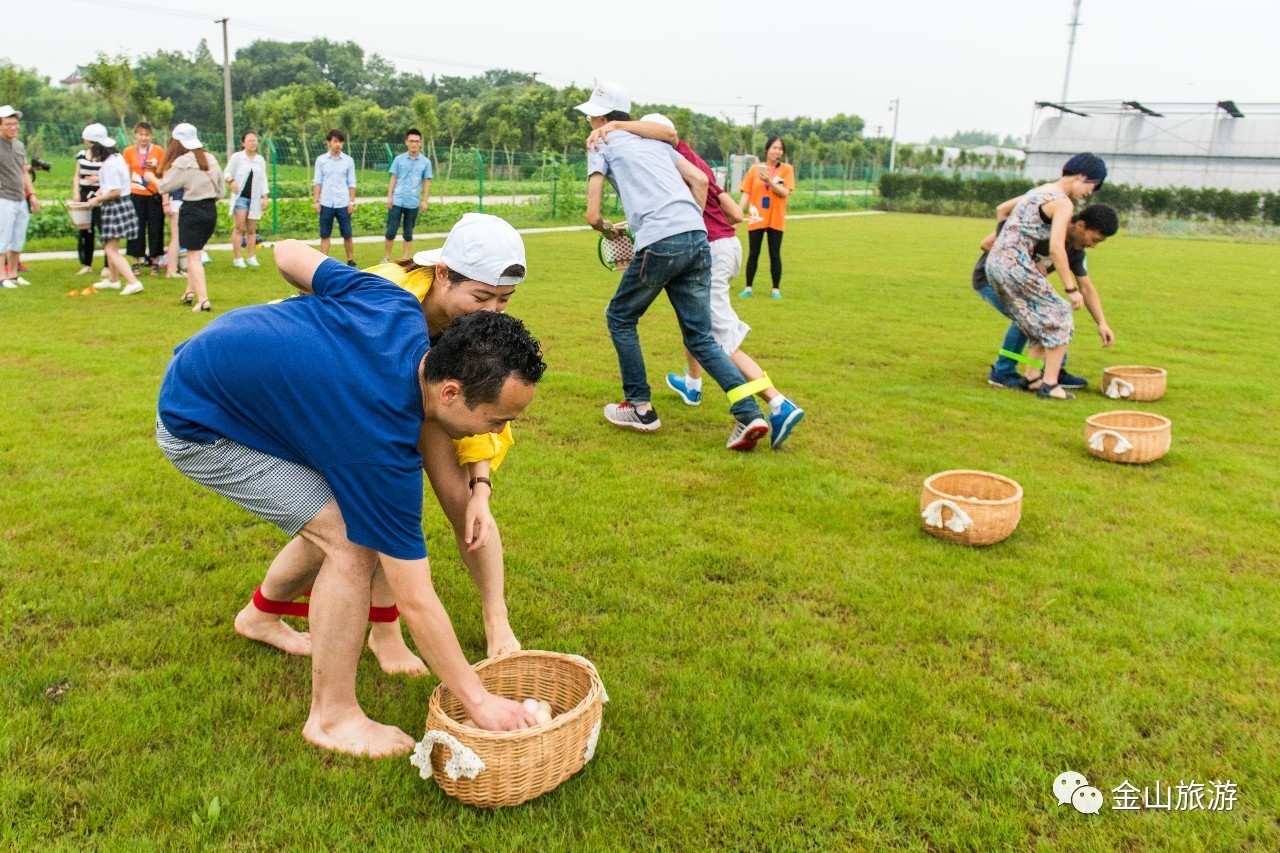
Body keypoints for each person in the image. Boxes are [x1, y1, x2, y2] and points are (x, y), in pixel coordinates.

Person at [157, 242, 547, 755]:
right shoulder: (380, 447)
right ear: (450, 392)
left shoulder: (393, 303)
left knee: (337, 524)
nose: (497, 431)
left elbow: (289, 254)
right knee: (350, 543)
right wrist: (479, 702)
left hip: (207, 362)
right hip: (199, 424)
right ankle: (332, 717)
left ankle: (259, 618)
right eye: (496, 420)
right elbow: (416, 599)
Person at [248, 214, 529, 673]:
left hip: (430, 401)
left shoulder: (479, 329)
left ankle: (496, 620)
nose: (492, 312)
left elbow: (486, 414)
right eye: (481, 296)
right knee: (363, 519)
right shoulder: (389, 292)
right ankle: (382, 632)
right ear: (442, 274)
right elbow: (287, 253)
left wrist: (481, 487)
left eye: (505, 299)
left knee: (459, 505)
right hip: (351, 400)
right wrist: (323, 306)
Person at [587, 114, 807, 449]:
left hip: (667, 242)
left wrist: (607, 228)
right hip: (699, 240)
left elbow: (592, 215)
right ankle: (748, 411)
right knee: (702, 337)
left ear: (600, 116)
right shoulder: (663, 147)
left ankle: (640, 408)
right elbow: (700, 182)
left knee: (620, 317)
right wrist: (689, 226)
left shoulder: (604, 142)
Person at [984, 153, 1107, 400]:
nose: (1089, 194)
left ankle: (1031, 377)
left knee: (1040, 320)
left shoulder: (1040, 190)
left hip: (998, 263)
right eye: (1092, 186)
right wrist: (1070, 289)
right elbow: (1056, 248)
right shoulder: (1063, 202)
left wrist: (1005, 241)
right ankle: (1050, 385)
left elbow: (1002, 210)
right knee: (1061, 312)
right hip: (1015, 265)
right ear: (1083, 176)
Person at [973, 204, 1120, 389]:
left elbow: (1087, 288)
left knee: (1054, 312)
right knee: (1028, 316)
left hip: (1021, 286)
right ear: (1080, 225)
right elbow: (987, 243)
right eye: (1094, 239)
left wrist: (1102, 323)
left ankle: (1054, 371)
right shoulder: (1042, 226)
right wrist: (1027, 263)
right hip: (991, 280)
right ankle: (1002, 371)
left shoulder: (1076, 250)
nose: (1093, 245)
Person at [147, 123, 224, 312]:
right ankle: (189, 292)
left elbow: (165, 186)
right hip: (210, 211)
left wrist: (151, 178)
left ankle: (203, 300)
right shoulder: (210, 159)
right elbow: (221, 191)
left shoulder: (183, 162)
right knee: (194, 253)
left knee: (193, 257)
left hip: (192, 211)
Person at [78, 124, 145, 296]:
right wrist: (97, 195)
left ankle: (133, 281)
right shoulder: (116, 157)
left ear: (95, 145)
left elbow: (114, 191)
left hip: (115, 206)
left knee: (111, 250)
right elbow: (108, 185)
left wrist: (97, 200)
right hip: (120, 204)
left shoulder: (109, 164)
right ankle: (113, 280)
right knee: (110, 244)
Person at [738, 136, 794, 299]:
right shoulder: (755, 169)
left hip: (776, 217)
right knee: (753, 252)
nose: (777, 151)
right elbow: (746, 193)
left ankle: (775, 289)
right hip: (757, 216)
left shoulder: (786, 169)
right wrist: (738, 213)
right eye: (774, 148)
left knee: (774, 253)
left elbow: (784, 192)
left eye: (780, 149)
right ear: (767, 149)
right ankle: (748, 287)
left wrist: (769, 180)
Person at [0, 105, 39, 290]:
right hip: (3, 198)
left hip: (19, 198)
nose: (13, 128)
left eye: (15, 124)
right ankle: (2, 277)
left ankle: (13, 274)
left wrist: (31, 194)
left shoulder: (19, 145)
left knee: (17, 239)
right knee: (2, 240)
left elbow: (24, 172)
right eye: (8, 124)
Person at [122, 121, 166, 276]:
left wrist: (156, 166)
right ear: (135, 135)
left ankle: (155, 261)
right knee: (136, 229)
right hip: (136, 194)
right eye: (141, 134)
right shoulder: (128, 152)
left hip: (153, 195)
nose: (144, 138)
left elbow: (163, 172)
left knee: (156, 228)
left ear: (151, 136)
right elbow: (125, 173)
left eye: (147, 135)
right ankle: (136, 262)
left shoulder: (159, 151)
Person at [382, 129, 432, 263]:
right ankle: (386, 257)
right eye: (411, 141)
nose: (414, 144)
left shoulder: (425, 162)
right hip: (397, 200)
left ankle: (405, 258)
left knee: (408, 232)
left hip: (413, 202)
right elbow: (393, 178)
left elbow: (426, 182)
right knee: (391, 230)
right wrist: (389, 197)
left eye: (416, 141)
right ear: (406, 142)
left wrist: (425, 200)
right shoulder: (399, 159)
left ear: (420, 143)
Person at [226, 130, 269, 269]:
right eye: (250, 140)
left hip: (255, 199)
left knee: (251, 229)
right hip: (240, 197)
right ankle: (237, 258)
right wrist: (231, 181)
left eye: (255, 140)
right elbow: (227, 172)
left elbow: (264, 179)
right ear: (243, 143)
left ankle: (251, 256)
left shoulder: (260, 160)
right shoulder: (237, 157)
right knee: (239, 227)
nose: (253, 143)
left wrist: (265, 197)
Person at [313, 129, 357, 266]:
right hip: (326, 202)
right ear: (329, 143)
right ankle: (323, 261)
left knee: (347, 234)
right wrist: (316, 201)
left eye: (340, 142)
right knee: (325, 234)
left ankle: (351, 261)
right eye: (335, 141)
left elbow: (352, 182)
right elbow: (317, 181)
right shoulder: (321, 160)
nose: (338, 145)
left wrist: (351, 201)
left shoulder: (348, 161)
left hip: (343, 202)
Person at [72, 126, 105, 277]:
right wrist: (76, 193)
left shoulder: (105, 156)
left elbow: (110, 175)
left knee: (103, 229)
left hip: (101, 195)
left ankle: (108, 264)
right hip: (84, 194)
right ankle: (87, 263)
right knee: (85, 229)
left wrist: (97, 179)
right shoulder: (81, 155)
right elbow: (77, 175)